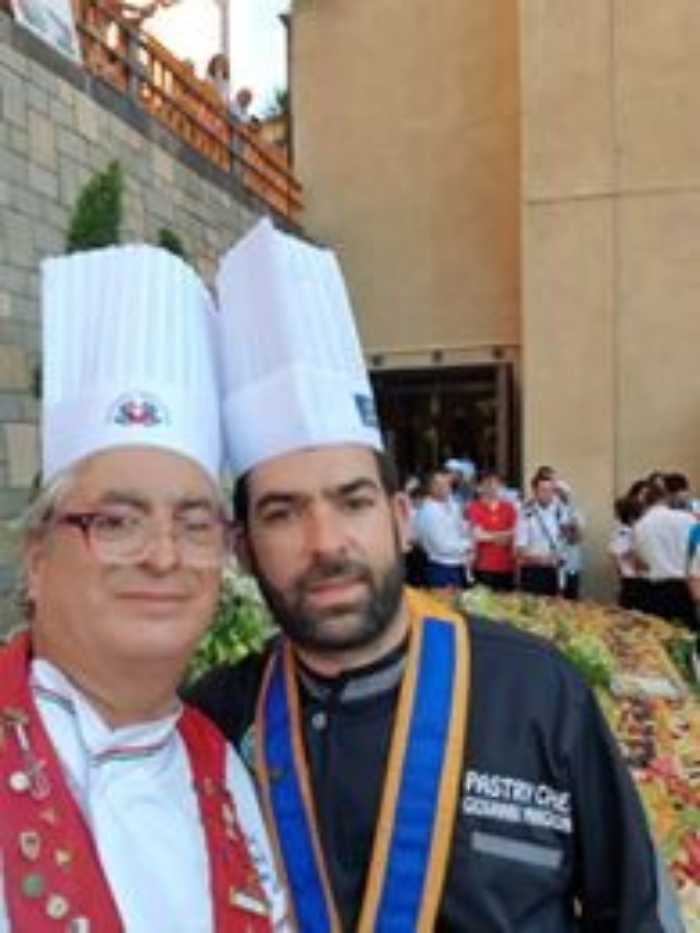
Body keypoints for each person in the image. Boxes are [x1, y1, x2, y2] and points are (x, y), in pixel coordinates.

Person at [188, 218, 679, 931]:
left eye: (352, 501)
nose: (325, 542)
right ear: (242, 547)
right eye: (283, 512)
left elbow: (636, 914)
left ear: (399, 518)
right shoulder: (211, 725)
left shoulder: (539, 691)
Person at [0, 245, 285, 931]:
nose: (164, 556)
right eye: (118, 521)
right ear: (37, 560)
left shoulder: (224, 768)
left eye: (195, 524)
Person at [414, 468, 472, 589]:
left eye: (446, 483)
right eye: (437, 484)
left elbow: (459, 527)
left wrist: (469, 530)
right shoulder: (428, 512)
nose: (443, 487)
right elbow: (442, 547)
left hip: (458, 564)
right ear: (428, 487)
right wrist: (471, 543)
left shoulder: (452, 504)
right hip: (441, 568)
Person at [467, 470, 517, 591]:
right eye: (488, 483)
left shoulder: (509, 507)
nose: (493, 487)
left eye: (496, 483)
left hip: (507, 565)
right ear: (480, 487)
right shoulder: (474, 507)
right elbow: (478, 535)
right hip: (484, 566)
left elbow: (515, 532)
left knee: (506, 601)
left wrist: (490, 536)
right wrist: (503, 536)